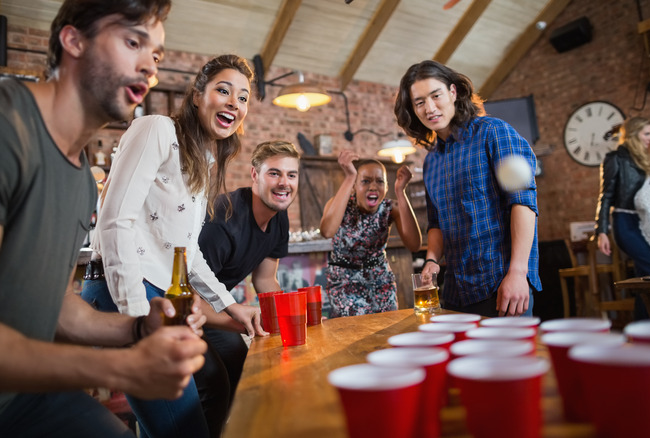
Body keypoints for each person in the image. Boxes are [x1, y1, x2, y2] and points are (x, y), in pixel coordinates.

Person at [0, 1, 212, 437]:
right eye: (132, 42)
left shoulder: (80, 178)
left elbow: (56, 307)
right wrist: (120, 366)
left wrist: (139, 326)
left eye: (155, 55)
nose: (148, 68)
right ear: (73, 40)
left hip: (18, 395)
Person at [81, 54, 265, 438]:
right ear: (198, 95)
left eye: (244, 97)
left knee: (211, 387)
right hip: (125, 292)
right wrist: (137, 323)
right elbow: (115, 220)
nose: (235, 103)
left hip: (163, 298)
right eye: (224, 90)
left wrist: (231, 306)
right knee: (183, 427)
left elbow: (188, 251)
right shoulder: (156, 129)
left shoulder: (203, 161)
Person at [394, 60, 541, 317]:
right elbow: (436, 223)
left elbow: (523, 203)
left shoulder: (495, 133)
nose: (429, 108)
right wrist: (431, 260)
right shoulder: (431, 162)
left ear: (453, 92)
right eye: (419, 102)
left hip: (502, 288)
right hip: (455, 293)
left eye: (435, 95)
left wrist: (518, 273)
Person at [196, 140, 301, 436]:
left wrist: (284, 321)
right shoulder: (223, 219)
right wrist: (244, 319)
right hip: (183, 306)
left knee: (246, 371)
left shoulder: (279, 218)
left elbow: (266, 280)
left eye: (291, 175)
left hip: (216, 304)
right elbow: (188, 295)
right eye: (274, 174)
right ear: (255, 175)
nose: (284, 183)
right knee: (214, 381)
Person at [319, 150, 422, 317]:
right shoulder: (341, 202)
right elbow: (327, 231)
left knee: (387, 328)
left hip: (381, 279)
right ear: (354, 186)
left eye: (379, 181)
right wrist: (349, 177)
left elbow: (414, 244)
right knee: (357, 332)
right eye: (365, 181)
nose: (373, 186)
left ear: (386, 187)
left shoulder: (390, 207)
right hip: (344, 281)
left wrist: (401, 192)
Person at [594, 117, 650, 318]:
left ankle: (641, 331)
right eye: (647, 134)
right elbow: (606, 196)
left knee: (645, 279)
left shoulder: (642, 159)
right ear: (634, 134)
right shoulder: (615, 158)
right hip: (625, 223)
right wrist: (602, 231)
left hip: (644, 223)